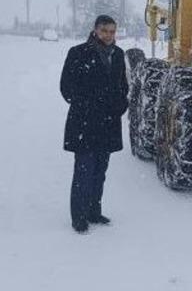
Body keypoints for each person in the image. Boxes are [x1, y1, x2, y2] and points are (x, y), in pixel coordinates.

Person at [60, 15, 129, 234]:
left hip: (108, 124)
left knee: (100, 171)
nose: (109, 36)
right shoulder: (78, 53)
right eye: (104, 31)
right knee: (83, 172)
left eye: (112, 31)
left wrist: (120, 105)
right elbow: (66, 87)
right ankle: (78, 217)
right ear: (95, 31)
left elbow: (122, 86)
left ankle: (93, 211)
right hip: (85, 124)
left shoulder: (118, 55)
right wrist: (88, 103)